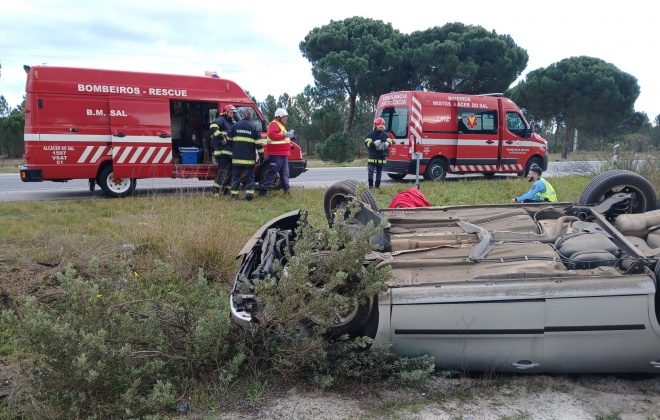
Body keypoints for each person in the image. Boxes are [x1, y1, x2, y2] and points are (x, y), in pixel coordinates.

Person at [227, 108, 263, 201]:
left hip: (237, 158)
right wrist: (262, 157)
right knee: (249, 178)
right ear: (250, 116)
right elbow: (259, 144)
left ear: (243, 115)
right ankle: (249, 196)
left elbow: (228, 138)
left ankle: (234, 196)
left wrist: (234, 147)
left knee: (236, 177)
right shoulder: (254, 127)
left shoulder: (235, 125)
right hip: (249, 159)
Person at [259, 108, 295, 196]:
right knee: (273, 172)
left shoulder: (280, 125)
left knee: (285, 172)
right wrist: (286, 135)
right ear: (279, 117)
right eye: (284, 117)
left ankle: (286, 190)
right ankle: (263, 191)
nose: (286, 118)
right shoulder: (274, 124)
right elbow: (272, 135)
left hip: (283, 153)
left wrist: (291, 137)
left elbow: (283, 138)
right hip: (276, 153)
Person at [209, 105, 238, 197]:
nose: (233, 114)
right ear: (226, 111)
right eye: (231, 112)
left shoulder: (232, 123)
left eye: (234, 112)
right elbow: (213, 127)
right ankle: (215, 191)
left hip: (230, 152)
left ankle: (227, 191)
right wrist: (221, 137)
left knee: (230, 172)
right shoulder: (221, 120)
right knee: (222, 171)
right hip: (222, 152)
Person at [364, 117, 393, 188]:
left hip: (381, 156)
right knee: (370, 170)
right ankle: (370, 185)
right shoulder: (370, 135)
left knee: (379, 172)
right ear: (375, 126)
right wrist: (373, 143)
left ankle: (377, 186)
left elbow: (390, 141)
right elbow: (367, 143)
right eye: (380, 127)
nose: (381, 128)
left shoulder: (385, 135)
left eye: (382, 127)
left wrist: (387, 143)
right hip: (372, 156)